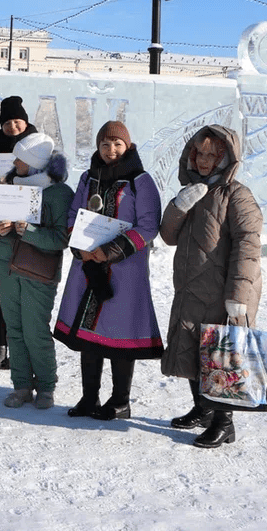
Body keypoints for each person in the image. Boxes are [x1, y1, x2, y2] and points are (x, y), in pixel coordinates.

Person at [159, 125, 262, 449]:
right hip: (190, 288)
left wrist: (238, 296)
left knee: (220, 356)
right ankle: (203, 409)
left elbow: (248, 245)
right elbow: (168, 236)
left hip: (223, 293)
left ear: (225, 157)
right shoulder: (193, 190)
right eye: (199, 153)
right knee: (192, 350)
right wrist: (179, 206)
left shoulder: (237, 195)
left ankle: (224, 422)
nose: (203, 161)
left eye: (211, 154)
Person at [55, 121, 163, 420]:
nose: (111, 150)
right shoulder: (88, 178)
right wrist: (80, 246)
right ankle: (89, 397)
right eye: (105, 144)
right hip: (88, 265)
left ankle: (120, 401)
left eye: (117, 144)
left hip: (125, 271)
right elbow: (72, 214)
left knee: (119, 334)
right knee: (89, 333)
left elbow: (149, 225)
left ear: (127, 145)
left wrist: (112, 250)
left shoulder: (140, 181)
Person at [0, 132, 72, 410]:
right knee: (14, 329)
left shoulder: (59, 193)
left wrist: (31, 232)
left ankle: (46, 386)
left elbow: (62, 238)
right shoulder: (10, 184)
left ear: (35, 163)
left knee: (35, 330)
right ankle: (22, 385)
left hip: (38, 272)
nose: (14, 162)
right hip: (6, 269)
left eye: (20, 158)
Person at [0, 95, 38, 370]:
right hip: (2, 232)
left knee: (28, 292)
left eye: (17, 122)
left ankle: (24, 347)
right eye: (7, 123)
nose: (13, 127)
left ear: (26, 122)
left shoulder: (42, 152)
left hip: (30, 233)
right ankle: (0, 344)